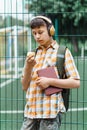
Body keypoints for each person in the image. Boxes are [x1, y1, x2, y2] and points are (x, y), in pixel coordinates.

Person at [21, 15, 80, 130]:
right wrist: (28, 66)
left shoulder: (62, 52)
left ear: (50, 30)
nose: (37, 36)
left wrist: (50, 81)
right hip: (30, 112)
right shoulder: (33, 54)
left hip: (50, 114)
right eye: (34, 33)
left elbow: (75, 82)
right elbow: (24, 86)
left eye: (40, 32)